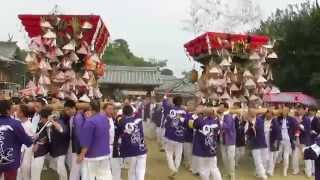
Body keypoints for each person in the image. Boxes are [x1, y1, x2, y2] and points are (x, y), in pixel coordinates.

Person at [78, 100, 112, 180]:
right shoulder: (104, 119)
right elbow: (108, 127)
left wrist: (82, 155)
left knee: (88, 176)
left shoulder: (89, 122)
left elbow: (86, 141)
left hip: (92, 155)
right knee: (104, 176)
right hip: (105, 153)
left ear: (90, 108)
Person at [0, 100, 33, 180]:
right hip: (10, 160)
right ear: (8, 110)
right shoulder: (15, 124)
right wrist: (32, 138)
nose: (13, 109)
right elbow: (28, 142)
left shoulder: (16, 123)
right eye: (12, 108)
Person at [189, 108, 222, 180]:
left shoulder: (199, 120)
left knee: (203, 170)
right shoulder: (216, 122)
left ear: (204, 113)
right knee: (214, 168)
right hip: (212, 149)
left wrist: (197, 114)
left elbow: (191, 125)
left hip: (201, 150)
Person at [117, 105, 147, 180]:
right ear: (132, 113)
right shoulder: (139, 120)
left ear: (123, 113)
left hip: (130, 150)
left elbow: (119, 133)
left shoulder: (122, 122)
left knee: (132, 171)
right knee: (141, 170)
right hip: (141, 148)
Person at [49, 100, 74, 180]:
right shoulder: (61, 115)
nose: (67, 111)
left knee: (61, 166)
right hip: (58, 145)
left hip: (64, 145)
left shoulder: (66, 118)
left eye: (68, 109)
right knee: (57, 166)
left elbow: (61, 129)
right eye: (65, 109)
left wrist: (53, 121)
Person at [163, 95, 186, 179]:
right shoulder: (184, 111)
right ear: (181, 102)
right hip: (180, 135)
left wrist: (165, 96)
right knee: (178, 154)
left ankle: (173, 168)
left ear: (173, 102)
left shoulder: (170, 109)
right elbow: (186, 122)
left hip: (170, 134)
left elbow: (164, 104)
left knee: (169, 152)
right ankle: (176, 168)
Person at [30, 107, 52, 180]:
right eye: (41, 118)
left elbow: (47, 139)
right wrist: (35, 140)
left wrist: (38, 143)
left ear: (48, 118)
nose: (41, 120)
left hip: (43, 151)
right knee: (34, 170)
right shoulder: (40, 124)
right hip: (36, 150)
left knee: (36, 170)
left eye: (43, 118)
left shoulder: (51, 126)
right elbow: (37, 135)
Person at [277, 106, 298, 176]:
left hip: (288, 140)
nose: (284, 112)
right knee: (277, 153)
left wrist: (295, 138)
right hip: (279, 140)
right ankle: (272, 167)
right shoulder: (278, 118)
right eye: (283, 111)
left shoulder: (292, 119)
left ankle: (285, 170)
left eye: (286, 111)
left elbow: (297, 129)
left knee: (286, 156)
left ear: (288, 112)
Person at [293, 106, 314, 177]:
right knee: (295, 156)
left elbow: (307, 130)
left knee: (306, 157)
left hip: (304, 140)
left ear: (304, 111)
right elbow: (293, 129)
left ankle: (309, 172)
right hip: (297, 139)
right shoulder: (295, 118)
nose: (300, 111)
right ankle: (296, 170)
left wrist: (300, 125)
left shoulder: (307, 119)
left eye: (301, 110)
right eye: (298, 110)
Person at [103, 103, 122, 180]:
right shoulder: (102, 120)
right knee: (105, 168)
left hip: (114, 147)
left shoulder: (115, 120)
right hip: (104, 147)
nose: (112, 111)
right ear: (104, 110)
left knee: (116, 167)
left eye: (112, 109)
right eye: (109, 109)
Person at [69, 103, 87, 180]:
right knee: (77, 169)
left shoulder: (78, 117)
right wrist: (80, 151)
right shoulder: (79, 117)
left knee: (77, 169)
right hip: (79, 148)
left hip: (79, 147)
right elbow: (78, 135)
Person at [218, 103, 236, 180]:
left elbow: (227, 127)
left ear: (225, 108)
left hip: (230, 140)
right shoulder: (221, 116)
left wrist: (220, 119)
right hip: (223, 140)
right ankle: (227, 172)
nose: (219, 108)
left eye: (221, 107)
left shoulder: (228, 116)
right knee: (224, 158)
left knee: (230, 158)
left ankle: (232, 174)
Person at [17, 104, 34, 180]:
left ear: (22, 113)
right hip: (19, 150)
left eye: (18, 111)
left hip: (26, 151)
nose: (16, 112)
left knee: (25, 169)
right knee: (19, 170)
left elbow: (31, 140)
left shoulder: (29, 125)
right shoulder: (18, 123)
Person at [183, 100, 196, 171]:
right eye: (188, 105)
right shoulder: (186, 114)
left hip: (194, 136)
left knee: (192, 152)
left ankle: (191, 165)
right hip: (186, 135)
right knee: (187, 151)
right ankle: (187, 163)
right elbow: (186, 124)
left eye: (191, 105)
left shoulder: (195, 114)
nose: (189, 106)